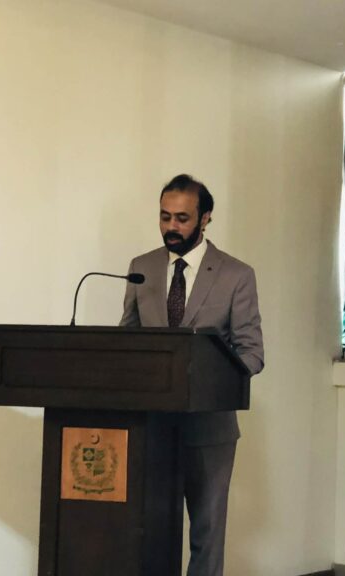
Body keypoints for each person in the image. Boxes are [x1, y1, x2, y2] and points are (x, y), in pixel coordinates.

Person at [120, 174, 264, 576]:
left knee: (206, 533)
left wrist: (210, 382)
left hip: (209, 429)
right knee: (148, 531)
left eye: (182, 218)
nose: (171, 227)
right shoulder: (141, 268)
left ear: (205, 218)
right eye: (164, 217)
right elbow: (127, 341)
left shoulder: (236, 275)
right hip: (151, 427)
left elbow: (252, 353)